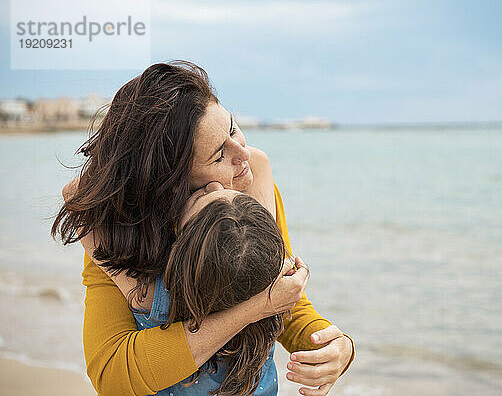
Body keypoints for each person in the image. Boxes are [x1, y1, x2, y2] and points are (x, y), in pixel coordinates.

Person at [53, 61, 354, 396]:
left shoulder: (247, 183)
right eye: (217, 156)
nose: (243, 154)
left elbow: (284, 300)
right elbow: (114, 377)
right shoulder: (117, 235)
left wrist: (334, 346)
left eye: (233, 128)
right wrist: (253, 309)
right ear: (170, 184)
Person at [136, 189, 290, 396]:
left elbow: (76, 196)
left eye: (199, 199)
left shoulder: (155, 300)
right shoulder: (271, 295)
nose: (215, 184)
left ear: (182, 250)